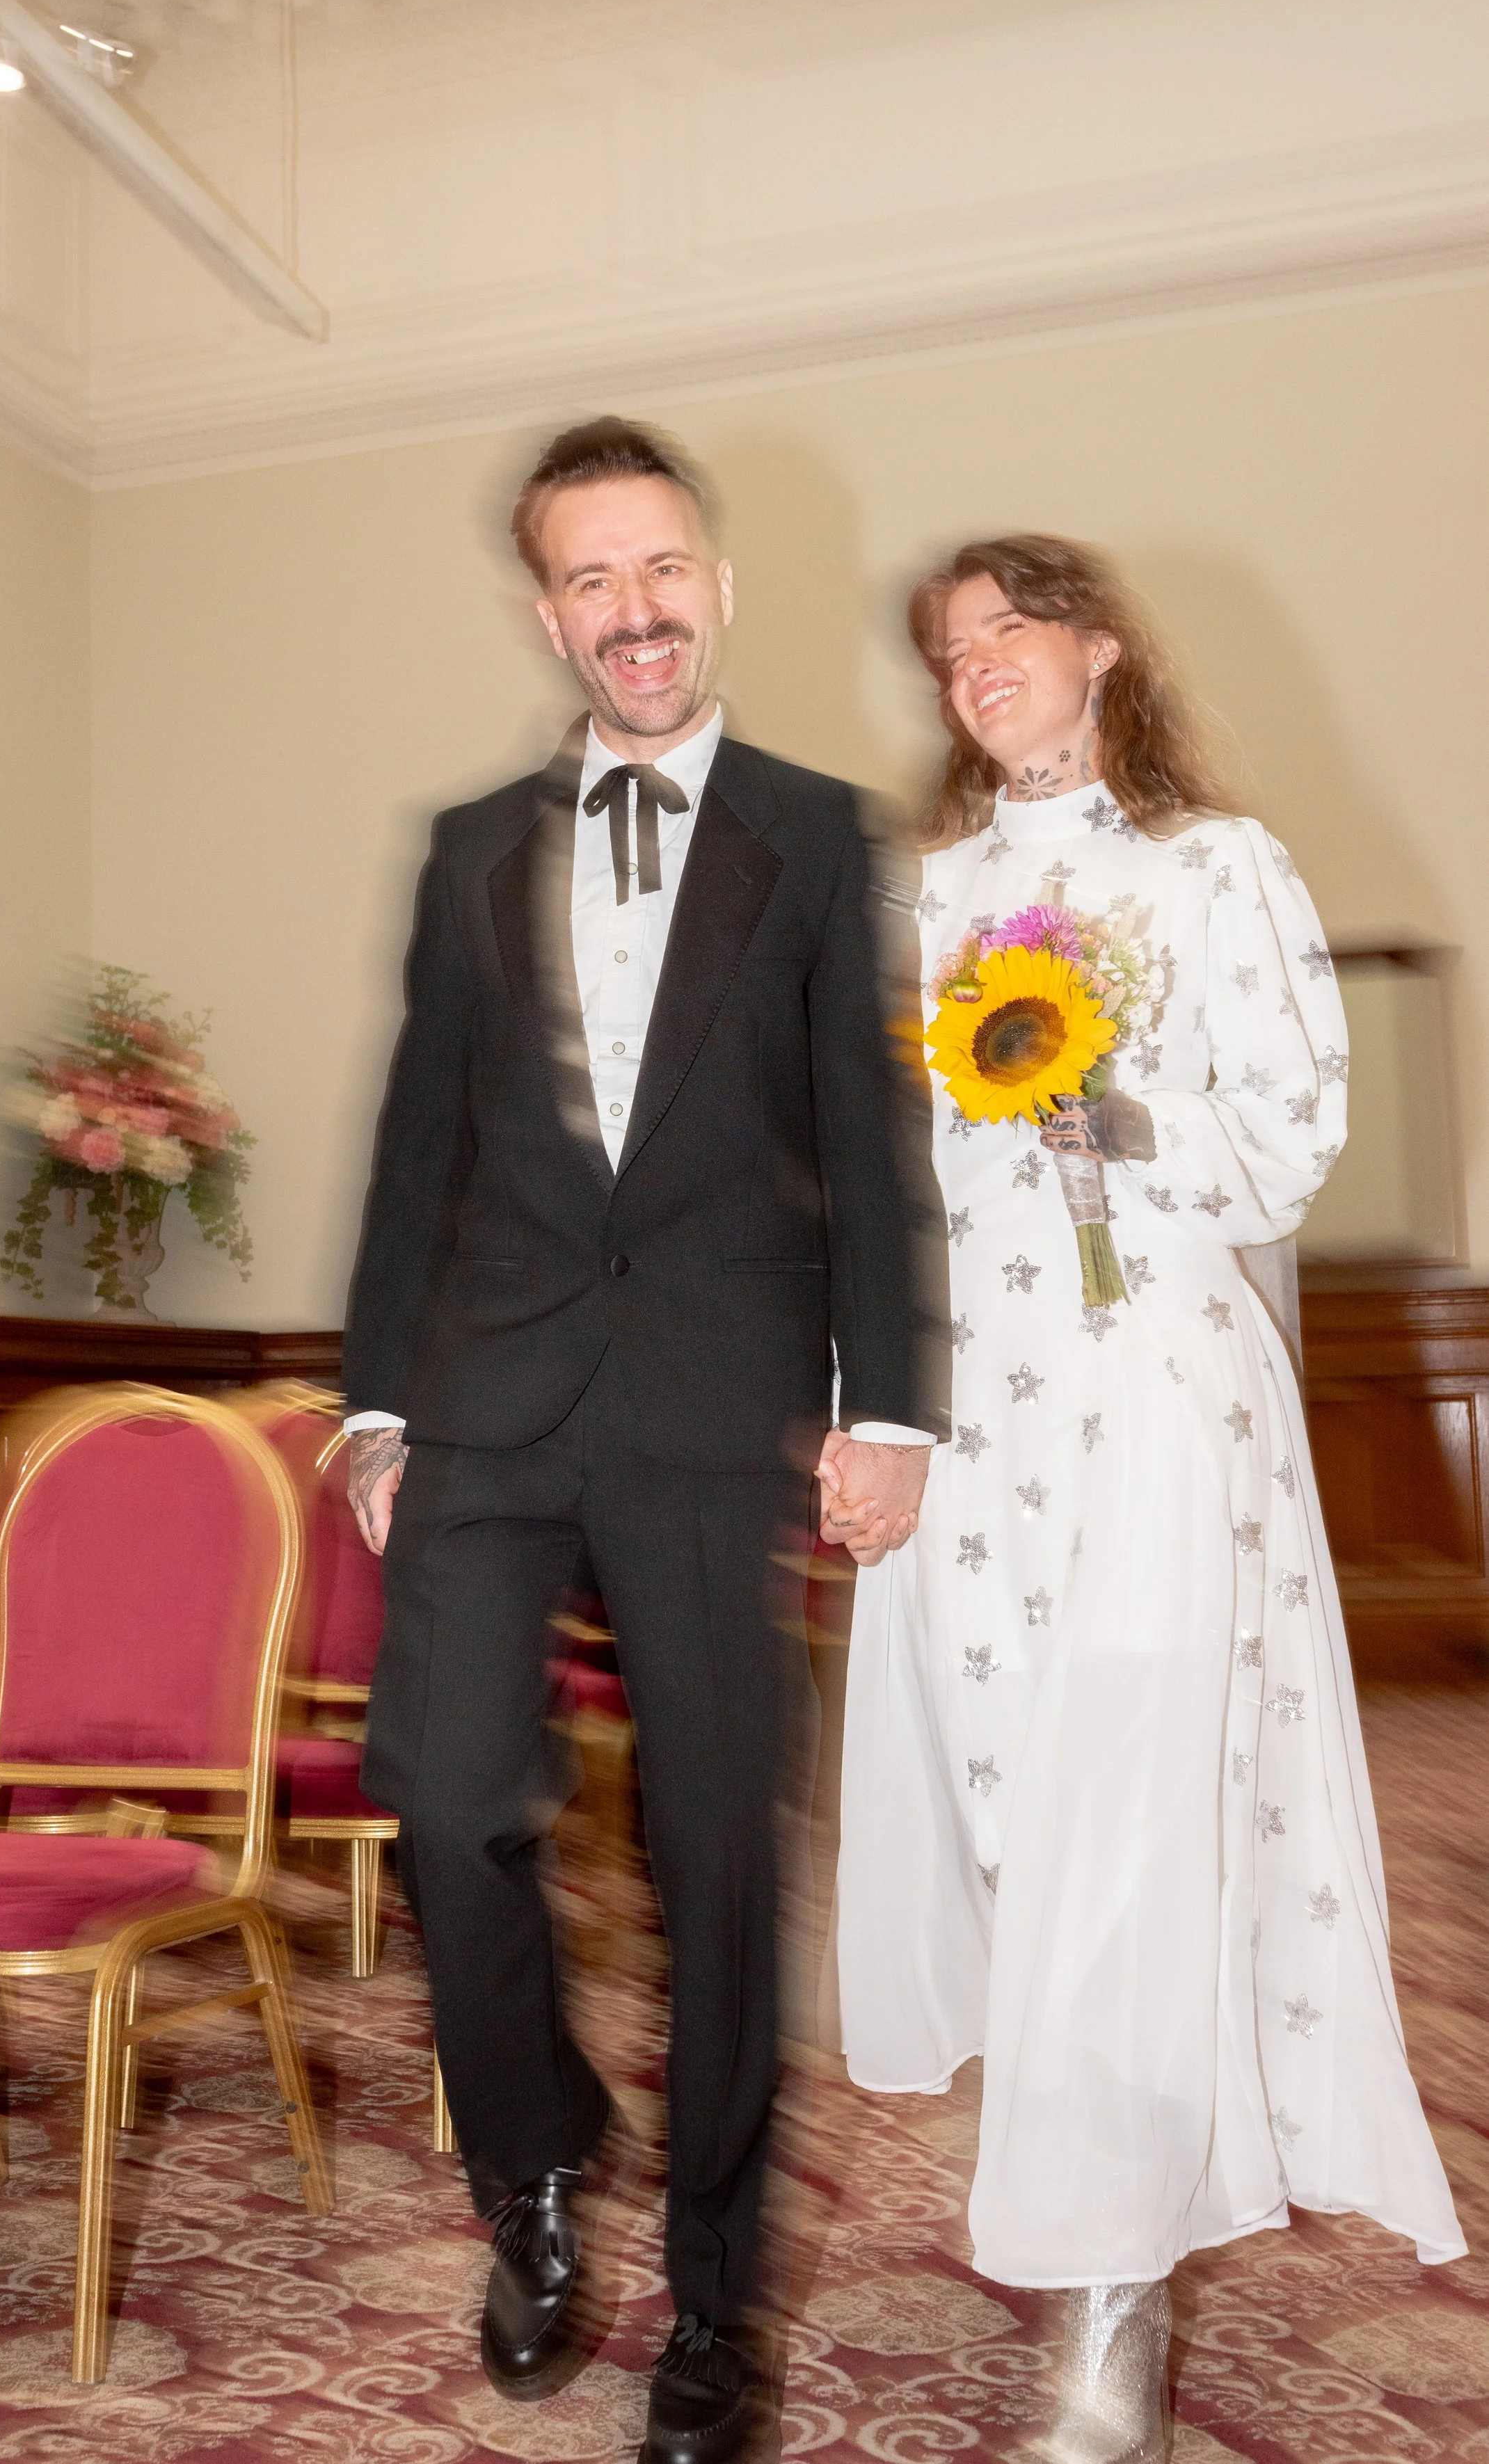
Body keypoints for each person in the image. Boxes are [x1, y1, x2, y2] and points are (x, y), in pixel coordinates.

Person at [339, 417, 950, 2464]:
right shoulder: (464, 848)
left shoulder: (813, 831)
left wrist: (893, 1409)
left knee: (713, 1865)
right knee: (442, 1800)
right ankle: (531, 2161)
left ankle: (710, 2298)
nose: (633, 610)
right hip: (490, 1401)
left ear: (714, 581)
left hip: (710, 1414)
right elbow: (417, 1136)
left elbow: (871, 1152)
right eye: (590, 579)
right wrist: (374, 1401)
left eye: (659, 567)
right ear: (547, 612)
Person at [836, 534, 1465, 2464]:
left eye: (1004, 633)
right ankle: (1095, 2196)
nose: (974, 672)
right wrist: (868, 1411)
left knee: (1136, 1809)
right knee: (1021, 1810)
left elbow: (1279, 1150)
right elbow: (887, 1194)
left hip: (1160, 1394)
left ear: (1097, 648)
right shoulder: (929, 896)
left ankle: (1108, 2304)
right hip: (978, 1420)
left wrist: (1089, 1092)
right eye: (945, 655)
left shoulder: (1217, 869)